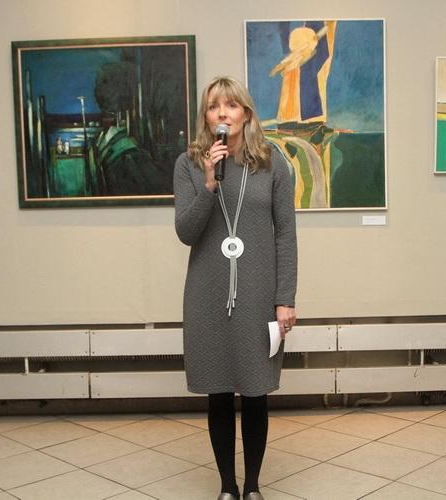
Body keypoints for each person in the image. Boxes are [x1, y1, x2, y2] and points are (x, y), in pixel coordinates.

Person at [173, 76, 297, 500]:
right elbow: (186, 232)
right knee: (219, 391)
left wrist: (285, 298)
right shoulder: (189, 164)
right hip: (207, 294)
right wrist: (209, 183)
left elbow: (286, 235)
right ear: (205, 117)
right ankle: (227, 486)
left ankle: (253, 486)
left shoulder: (272, 162)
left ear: (245, 113)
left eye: (230, 105)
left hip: (259, 294)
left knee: (256, 391)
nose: (222, 113)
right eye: (213, 106)